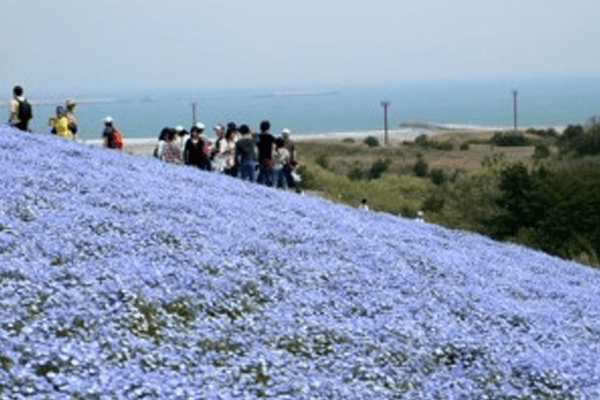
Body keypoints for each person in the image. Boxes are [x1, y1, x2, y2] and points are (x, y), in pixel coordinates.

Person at [256, 120, 276, 186]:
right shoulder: (271, 138)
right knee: (269, 178)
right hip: (268, 160)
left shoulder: (257, 137)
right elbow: (274, 149)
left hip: (259, 160)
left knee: (259, 179)